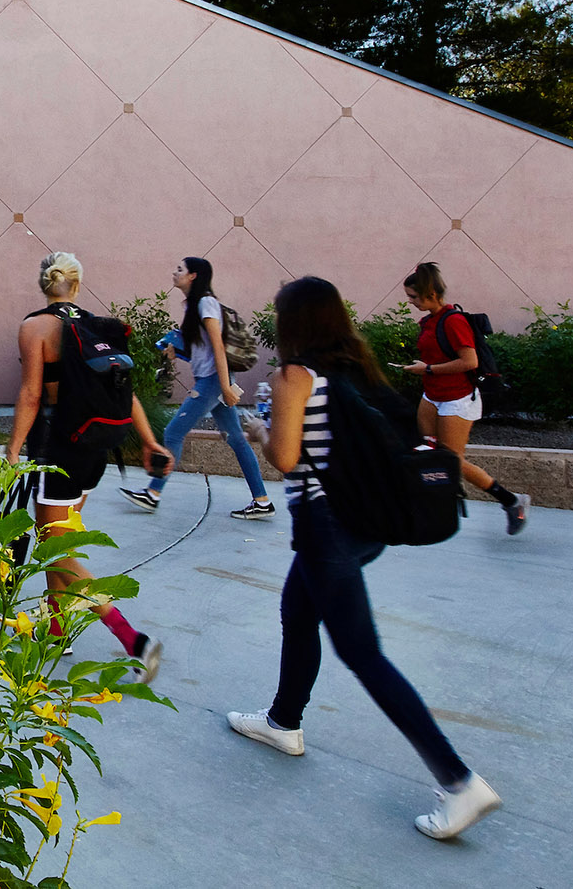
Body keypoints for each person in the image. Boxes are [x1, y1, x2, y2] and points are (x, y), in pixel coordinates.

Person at [228, 275, 502, 841]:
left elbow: (284, 456)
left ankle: (457, 781)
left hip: (325, 525)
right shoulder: (356, 367)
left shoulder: (293, 375)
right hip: (363, 523)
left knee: (362, 653)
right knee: (297, 612)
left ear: (292, 322)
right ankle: (284, 720)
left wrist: (257, 428)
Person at [3, 251, 172, 682]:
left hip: (55, 448)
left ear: (45, 284)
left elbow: (30, 394)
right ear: (76, 285)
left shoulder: (35, 327)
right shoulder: (100, 328)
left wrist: (12, 450)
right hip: (94, 451)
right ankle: (57, 630)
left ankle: (132, 638)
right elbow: (125, 394)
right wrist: (151, 441)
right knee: (60, 544)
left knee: (53, 550)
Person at [120, 257, 274, 520]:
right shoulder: (194, 306)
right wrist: (176, 352)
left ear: (193, 276)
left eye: (180, 269)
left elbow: (218, 348)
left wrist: (225, 386)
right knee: (236, 439)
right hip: (213, 379)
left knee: (173, 432)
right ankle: (262, 501)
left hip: (214, 381)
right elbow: (202, 353)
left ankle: (153, 493)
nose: (174, 272)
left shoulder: (206, 303)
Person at [401, 262, 528, 535]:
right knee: (426, 451)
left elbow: (469, 361)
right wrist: (423, 366)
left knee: (451, 459)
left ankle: (511, 500)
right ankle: (434, 505)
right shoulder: (429, 321)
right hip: (432, 395)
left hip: (456, 399)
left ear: (431, 294)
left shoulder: (454, 321)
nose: (410, 302)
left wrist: (429, 369)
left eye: (413, 296)